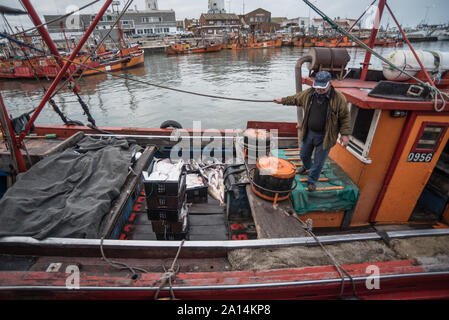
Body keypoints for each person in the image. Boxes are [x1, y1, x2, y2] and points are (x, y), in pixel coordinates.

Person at [274, 71, 351, 192]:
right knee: (303, 154)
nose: (319, 90)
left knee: (319, 161)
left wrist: (345, 135)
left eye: (322, 88)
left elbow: (345, 117)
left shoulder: (338, 98)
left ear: (329, 84)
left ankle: (312, 181)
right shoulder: (309, 94)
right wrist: (282, 100)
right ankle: (306, 166)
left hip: (326, 136)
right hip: (309, 132)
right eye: (317, 87)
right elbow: (295, 99)